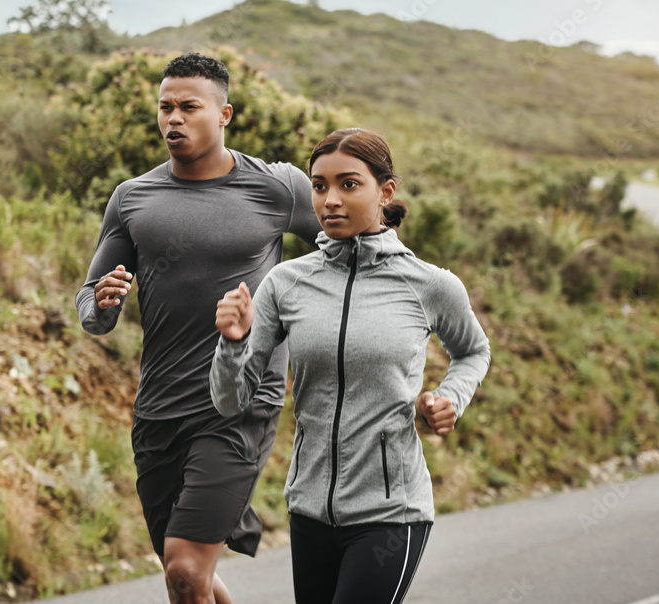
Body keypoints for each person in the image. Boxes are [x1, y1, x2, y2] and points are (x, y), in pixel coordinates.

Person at [74, 52, 320, 604]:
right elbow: (91, 304)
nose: (173, 119)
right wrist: (104, 303)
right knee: (190, 579)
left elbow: (342, 253)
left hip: (239, 402)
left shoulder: (278, 188)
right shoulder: (133, 198)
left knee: (184, 570)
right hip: (158, 409)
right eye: (165, 107)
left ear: (224, 113)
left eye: (189, 106)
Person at [210, 128, 491, 603]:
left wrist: (448, 399)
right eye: (319, 186)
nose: (330, 200)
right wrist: (233, 343)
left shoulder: (430, 285)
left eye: (348, 184)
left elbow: (473, 351)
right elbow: (229, 400)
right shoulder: (286, 283)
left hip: (390, 511)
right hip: (310, 510)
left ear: (385, 191)